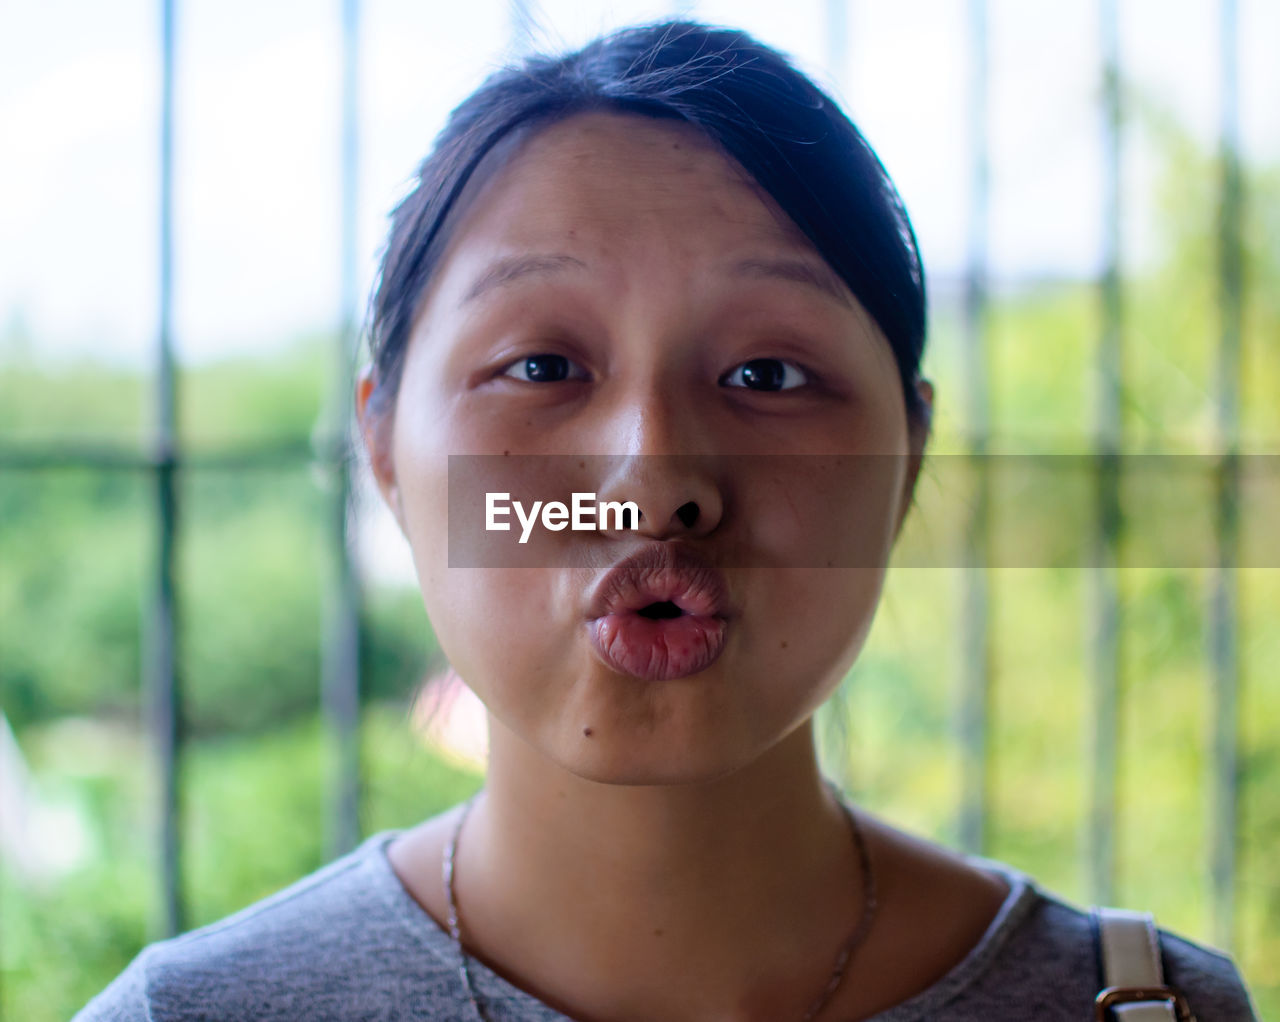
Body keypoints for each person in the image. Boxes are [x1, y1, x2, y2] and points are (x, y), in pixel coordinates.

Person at [76, 19, 1257, 1022]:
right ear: (382, 447)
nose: (653, 482)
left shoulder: (1142, 1007)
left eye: (767, 376)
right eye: (541, 363)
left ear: (905, 461)